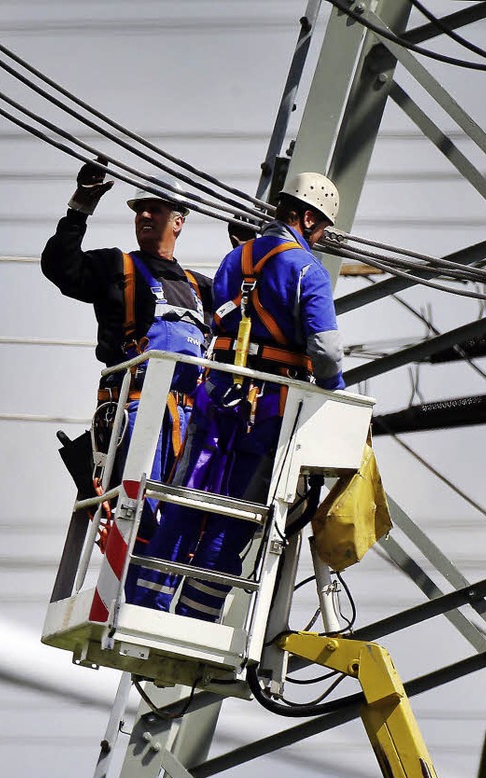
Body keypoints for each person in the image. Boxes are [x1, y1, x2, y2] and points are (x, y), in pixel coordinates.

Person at [132, 171, 345, 621]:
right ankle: (195, 618)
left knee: (188, 497)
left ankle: (146, 604)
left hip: (217, 395)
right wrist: (334, 397)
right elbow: (325, 352)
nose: (321, 238)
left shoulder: (234, 261)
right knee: (237, 513)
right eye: (321, 228)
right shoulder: (307, 270)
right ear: (308, 218)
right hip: (268, 407)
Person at [41, 160, 213, 556]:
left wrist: (248, 249)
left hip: (189, 420)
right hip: (135, 409)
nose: (146, 215)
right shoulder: (115, 267)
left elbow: (247, 315)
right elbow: (60, 267)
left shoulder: (200, 288)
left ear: (179, 221)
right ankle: (130, 589)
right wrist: (79, 208)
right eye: (140, 209)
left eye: (156, 208)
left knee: (185, 526)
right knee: (138, 522)